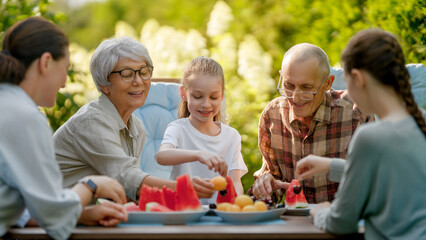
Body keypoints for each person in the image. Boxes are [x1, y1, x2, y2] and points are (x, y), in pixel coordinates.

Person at [0, 17, 128, 240]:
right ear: (46, 62)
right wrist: (91, 185)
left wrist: (82, 214)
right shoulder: (24, 115)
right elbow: (54, 216)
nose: (64, 84)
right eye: (65, 70)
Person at [297, 29, 426, 239]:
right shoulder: (420, 122)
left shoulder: (369, 137)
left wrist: (320, 212)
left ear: (357, 77)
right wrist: (331, 166)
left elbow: (341, 222)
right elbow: (397, 177)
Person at [54, 37, 215, 202]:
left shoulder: (136, 126)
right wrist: (184, 188)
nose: (139, 81)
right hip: (52, 218)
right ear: (104, 84)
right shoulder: (91, 123)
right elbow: (128, 179)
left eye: (144, 72)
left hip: (86, 215)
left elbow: (128, 192)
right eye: (127, 74)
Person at [250, 43, 369, 203]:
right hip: (296, 223)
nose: (295, 97)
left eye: (306, 88)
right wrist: (264, 184)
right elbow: (271, 180)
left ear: (328, 83)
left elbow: (373, 177)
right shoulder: (272, 115)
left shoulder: (355, 112)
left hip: (342, 221)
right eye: (288, 85)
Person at [156, 56, 248, 204]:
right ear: (184, 93)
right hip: (185, 211)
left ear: (222, 95)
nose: (206, 104)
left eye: (214, 97)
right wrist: (198, 155)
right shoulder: (178, 129)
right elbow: (162, 156)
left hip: (221, 215)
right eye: (198, 96)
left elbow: (235, 182)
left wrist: (235, 207)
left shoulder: (232, 136)